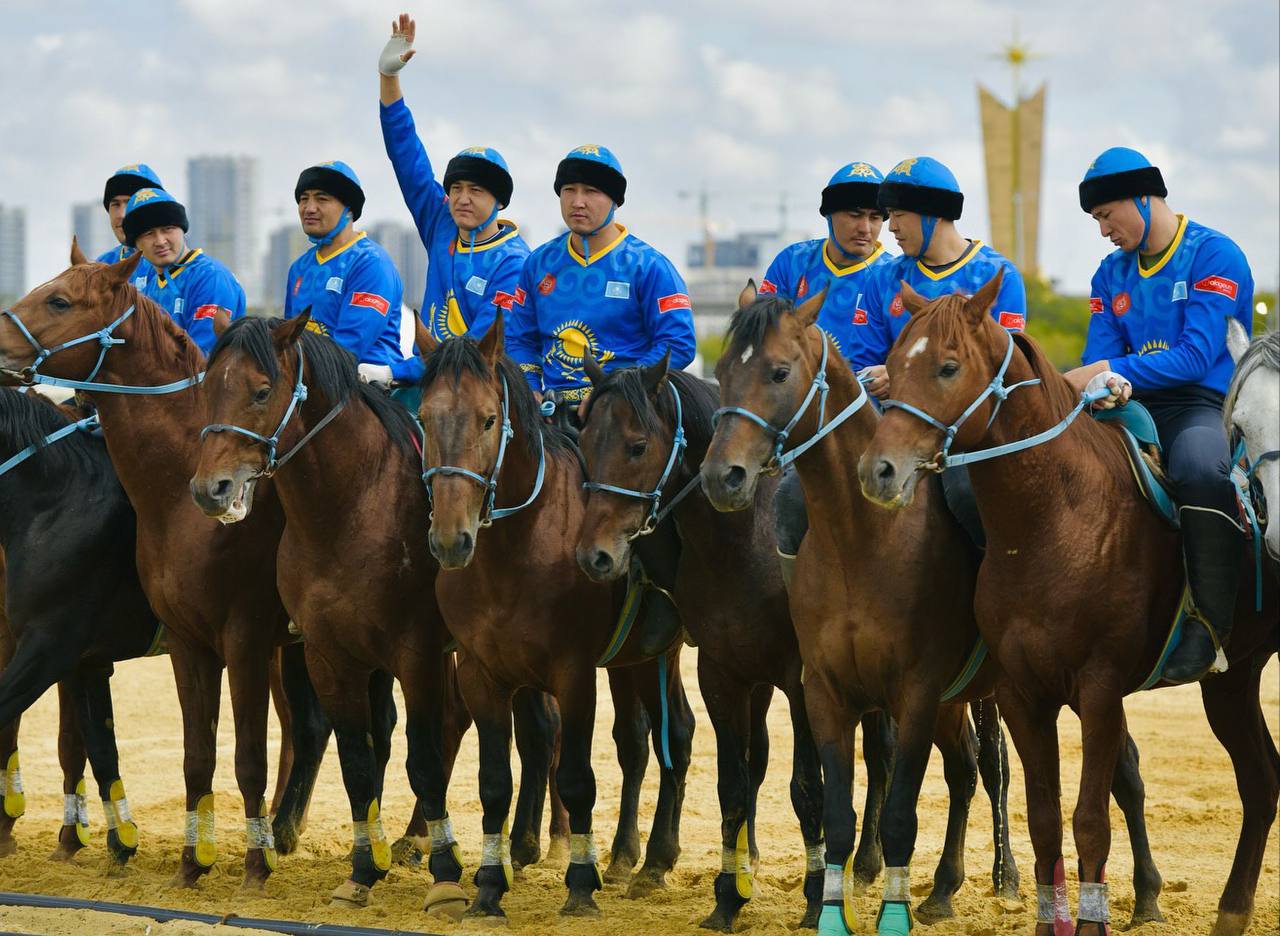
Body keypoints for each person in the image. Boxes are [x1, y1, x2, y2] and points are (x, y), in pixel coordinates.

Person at [1067, 146, 1255, 683]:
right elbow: (1094, 360)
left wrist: (1114, 368)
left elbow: (1198, 356)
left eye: (1106, 215)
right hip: (1130, 405)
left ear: (1144, 198)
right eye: (1096, 220)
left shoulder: (1215, 254)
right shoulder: (1110, 274)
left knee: (1199, 468)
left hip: (1204, 405)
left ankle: (1212, 628)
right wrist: (1102, 382)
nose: (1103, 231)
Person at [868, 156, 1029, 548]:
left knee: (962, 493)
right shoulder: (883, 277)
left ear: (933, 214)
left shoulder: (997, 274)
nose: (890, 227)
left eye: (898, 214)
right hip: (890, 420)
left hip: (969, 434)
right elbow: (862, 362)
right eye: (888, 215)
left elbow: (1005, 371)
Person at [377, 12, 529, 388]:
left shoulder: (514, 263)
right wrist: (389, 79)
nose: (461, 199)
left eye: (475, 191)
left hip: (473, 392)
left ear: (499, 201)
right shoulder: (441, 221)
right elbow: (406, 156)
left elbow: (473, 350)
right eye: (456, 188)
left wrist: (396, 371)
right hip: (422, 382)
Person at [761, 161, 894, 588]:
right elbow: (758, 341)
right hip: (790, 422)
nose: (866, 227)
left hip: (869, 425)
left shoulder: (892, 275)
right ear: (829, 216)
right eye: (854, 215)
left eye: (876, 217)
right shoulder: (791, 264)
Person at [505, 144, 696, 426]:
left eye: (591, 191)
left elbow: (678, 343)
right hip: (549, 417)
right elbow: (519, 339)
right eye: (569, 190)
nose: (578, 201)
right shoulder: (538, 263)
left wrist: (614, 393)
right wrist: (530, 386)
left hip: (625, 419)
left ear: (615, 201)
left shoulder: (650, 266)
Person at [285, 161, 405, 379]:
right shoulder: (298, 268)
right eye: (304, 199)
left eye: (322, 199)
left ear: (349, 209)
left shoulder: (370, 262)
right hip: (310, 384)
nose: (309, 208)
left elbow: (349, 346)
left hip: (368, 387)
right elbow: (287, 339)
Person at [122, 188, 245, 355]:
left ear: (182, 230)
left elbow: (202, 361)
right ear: (136, 244)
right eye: (148, 234)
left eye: (167, 229)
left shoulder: (210, 277)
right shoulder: (150, 285)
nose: (160, 241)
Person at [98, 164, 163, 288]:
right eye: (116, 205)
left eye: (130, 203)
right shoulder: (101, 266)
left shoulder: (176, 265)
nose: (122, 215)